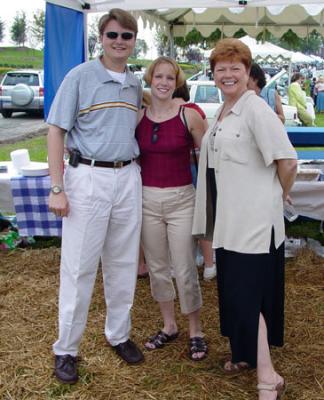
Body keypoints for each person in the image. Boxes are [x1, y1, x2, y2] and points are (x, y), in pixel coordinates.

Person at [192, 38, 297, 399]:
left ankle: (268, 376)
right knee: (235, 294)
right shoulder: (222, 112)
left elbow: (288, 161)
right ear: (213, 74)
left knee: (248, 297)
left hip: (254, 225)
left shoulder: (256, 111)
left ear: (248, 72)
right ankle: (244, 355)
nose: (228, 74)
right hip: (228, 223)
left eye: (235, 68)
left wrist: (277, 195)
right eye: (221, 69)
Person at [47, 9, 144, 384]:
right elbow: (56, 131)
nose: (120, 41)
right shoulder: (80, 76)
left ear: (134, 41)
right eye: (113, 35)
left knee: (122, 264)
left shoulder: (134, 84)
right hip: (87, 177)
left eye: (127, 35)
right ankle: (66, 349)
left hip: (127, 177)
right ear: (100, 38)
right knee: (79, 268)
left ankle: (118, 334)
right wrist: (58, 188)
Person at [136, 56, 208, 361]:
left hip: (181, 199)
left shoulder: (188, 116)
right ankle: (169, 325)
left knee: (185, 266)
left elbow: (209, 160)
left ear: (176, 82)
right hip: (146, 199)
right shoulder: (138, 116)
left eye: (170, 78)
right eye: (158, 77)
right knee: (157, 267)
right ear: (150, 80)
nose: (163, 83)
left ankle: (196, 330)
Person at [172, 82, 217, 281]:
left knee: (176, 219)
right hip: (196, 169)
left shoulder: (164, 111)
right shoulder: (195, 111)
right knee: (202, 216)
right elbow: (207, 143)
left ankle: (180, 265)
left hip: (173, 172)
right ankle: (209, 264)